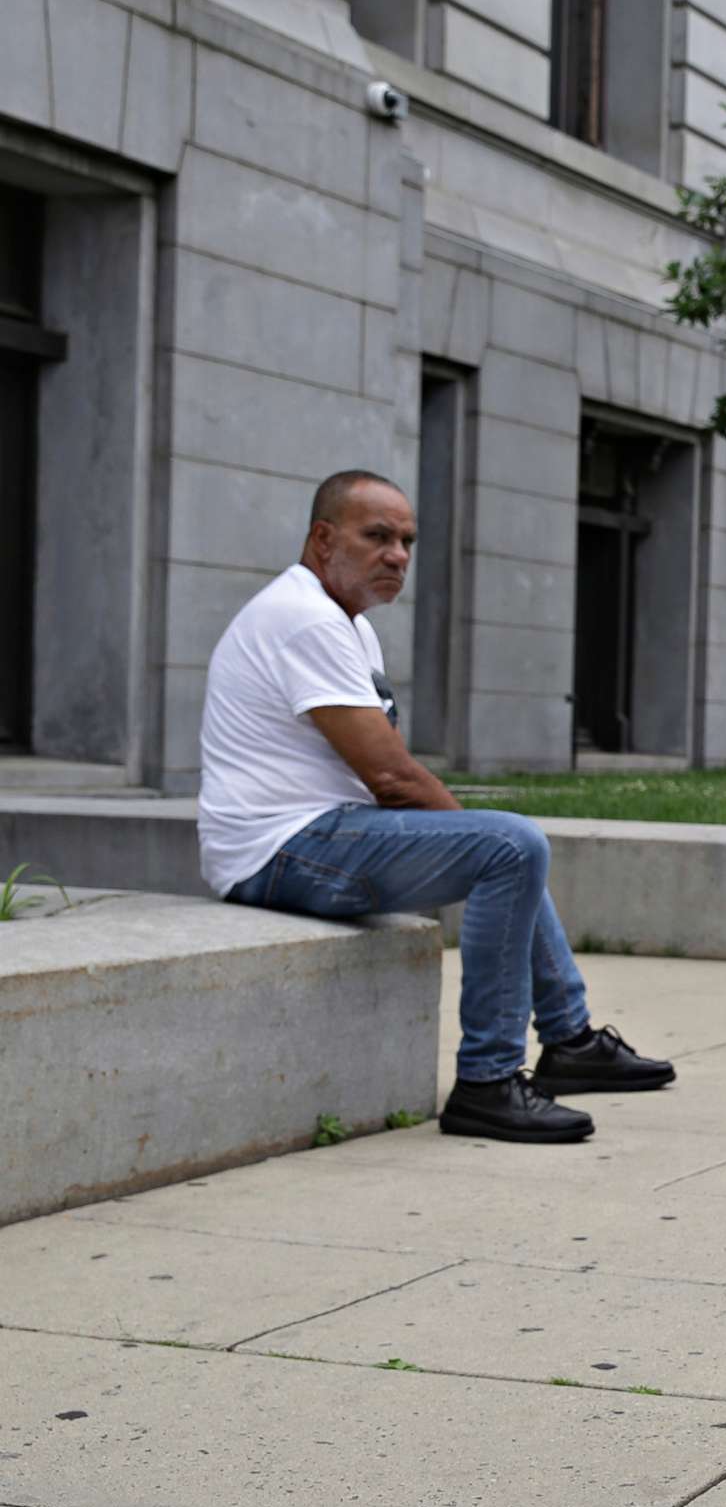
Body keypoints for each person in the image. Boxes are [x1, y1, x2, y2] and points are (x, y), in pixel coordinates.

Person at [197, 470, 677, 1144]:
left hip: (322, 834)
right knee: (507, 846)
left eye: (407, 541)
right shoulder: (303, 618)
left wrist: (478, 834)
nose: (397, 554)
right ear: (322, 538)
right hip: (277, 851)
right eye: (378, 537)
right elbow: (391, 775)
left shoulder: (347, 624)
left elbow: (385, 777)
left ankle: (568, 1040)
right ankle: (487, 1083)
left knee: (509, 845)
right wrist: (478, 835)